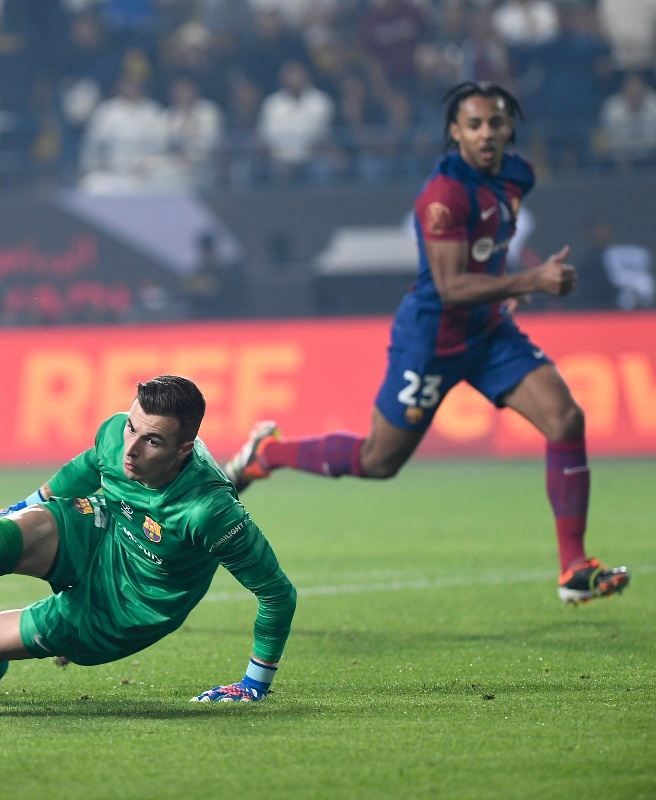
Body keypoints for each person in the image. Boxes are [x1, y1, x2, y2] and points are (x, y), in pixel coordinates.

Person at [223, 82, 630, 606]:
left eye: (496, 123)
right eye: (475, 124)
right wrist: (528, 282)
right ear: (455, 132)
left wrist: (503, 286)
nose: (487, 133)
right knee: (378, 461)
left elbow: (486, 250)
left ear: (510, 129)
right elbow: (450, 286)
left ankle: (574, 566)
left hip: (488, 333)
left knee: (566, 419)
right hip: (432, 341)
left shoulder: (517, 174)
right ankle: (267, 453)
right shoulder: (443, 195)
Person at [0, 376, 296, 707]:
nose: (131, 449)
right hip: (103, 532)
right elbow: (91, 465)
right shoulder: (120, 433)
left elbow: (277, 593)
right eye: (132, 428)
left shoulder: (210, 511)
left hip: (126, 606)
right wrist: (19, 509)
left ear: (183, 450)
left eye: (152, 442)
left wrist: (254, 683)